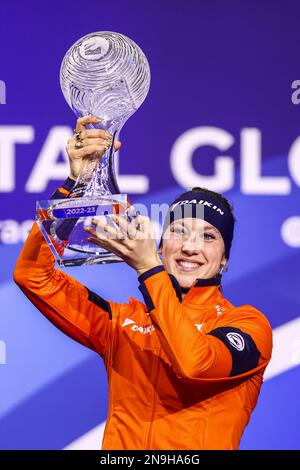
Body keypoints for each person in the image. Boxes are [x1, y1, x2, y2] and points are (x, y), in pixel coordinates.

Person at [14, 115, 273, 450]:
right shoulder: (121, 323)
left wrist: (149, 269)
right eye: (179, 231)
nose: (190, 247)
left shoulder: (248, 325)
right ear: (162, 244)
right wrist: (75, 187)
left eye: (208, 236)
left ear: (224, 259)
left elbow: (196, 363)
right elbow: (33, 275)